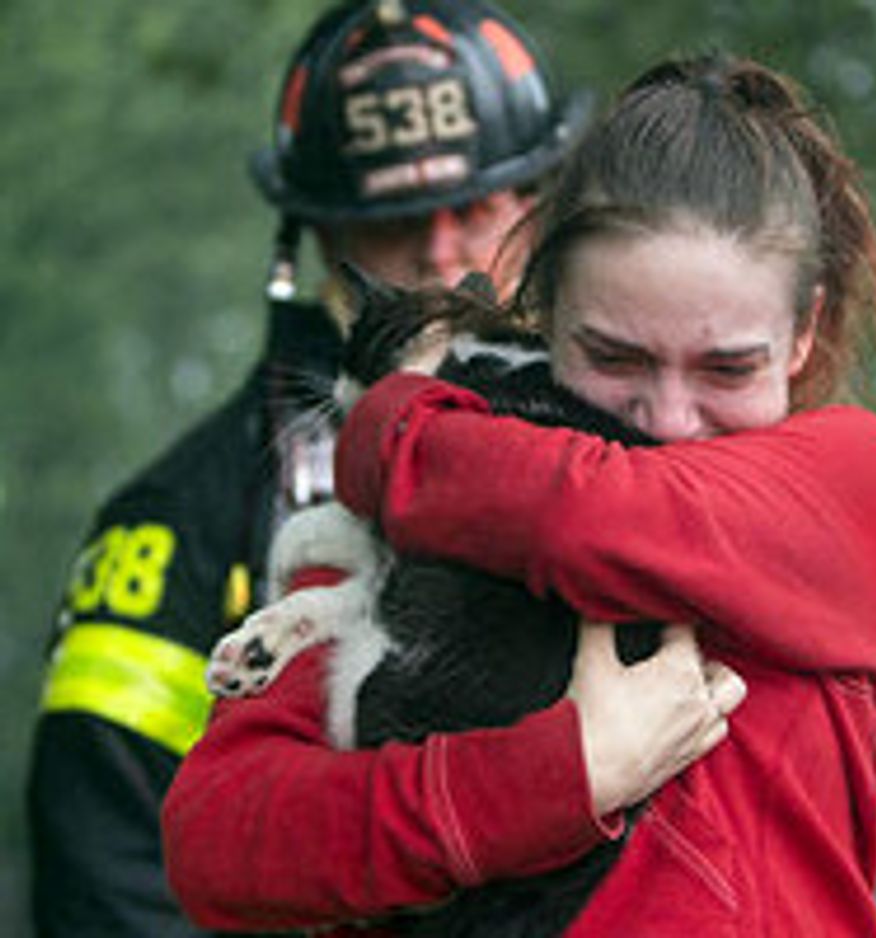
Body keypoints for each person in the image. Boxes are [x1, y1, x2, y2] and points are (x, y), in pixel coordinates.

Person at [163, 51, 876, 936]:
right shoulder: (422, 513)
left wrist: (394, 427)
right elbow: (219, 840)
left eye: (729, 368)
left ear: (804, 334)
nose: (672, 418)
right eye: (614, 357)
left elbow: (589, 515)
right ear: (545, 309)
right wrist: (561, 775)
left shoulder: (856, 483)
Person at [26, 2, 594, 935]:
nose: (443, 254)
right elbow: (106, 873)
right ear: (320, 240)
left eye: (483, 204)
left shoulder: (648, 434)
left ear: (548, 208)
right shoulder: (182, 519)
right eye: (397, 220)